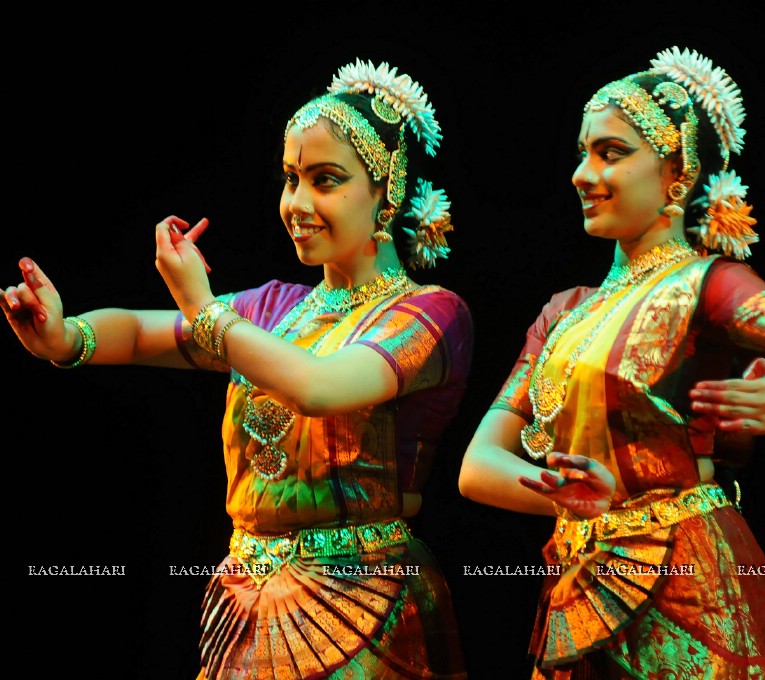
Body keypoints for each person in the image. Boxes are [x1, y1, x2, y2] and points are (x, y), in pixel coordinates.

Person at [4, 59, 471, 679]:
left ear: (386, 192)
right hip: (246, 604)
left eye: (325, 180)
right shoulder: (272, 309)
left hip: (369, 605)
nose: (297, 203)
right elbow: (145, 333)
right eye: (290, 178)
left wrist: (202, 307)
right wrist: (65, 338)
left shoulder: (429, 313)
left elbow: (318, 385)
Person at [459, 45, 765, 678]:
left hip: (693, 583)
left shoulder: (706, 284)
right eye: (582, 152)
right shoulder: (563, 312)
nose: (582, 173)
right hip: (581, 581)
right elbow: (478, 467)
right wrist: (567, 499)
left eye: (611, 152)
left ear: (676, 172)